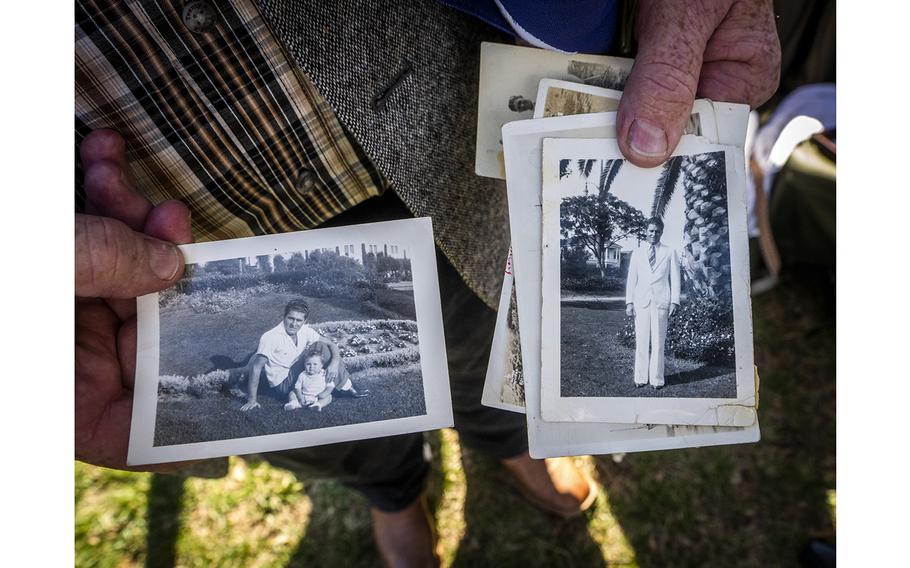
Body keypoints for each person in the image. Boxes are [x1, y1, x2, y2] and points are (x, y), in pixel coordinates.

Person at [75, 1, 780, 564]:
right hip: (173, 213)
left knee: (489, 330)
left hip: (433, 137)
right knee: (313, 423)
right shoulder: (262, 328)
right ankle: (391, 492)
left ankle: (506, 445)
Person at [240, 299, 362, 412]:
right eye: (290, 318)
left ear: (304, 321)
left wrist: (334, 364)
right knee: (319, 347)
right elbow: (256, 367)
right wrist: (252, 400)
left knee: (321, 347)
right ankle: (346, 387)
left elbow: (331, 344)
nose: (294, 324)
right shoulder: (271, 336)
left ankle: (340, 386)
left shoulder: (304, 330)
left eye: (299, 320)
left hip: (296, 375)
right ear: (284, 317)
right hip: (282, 383)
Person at [625, 217, 680, 389]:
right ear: (646, 231)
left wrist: (675, 302)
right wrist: (629, 302)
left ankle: (657, 380)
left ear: (661, 232)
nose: (653, 234)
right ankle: (640, 378)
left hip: (661, 302)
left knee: (658, 342)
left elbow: (675, 279)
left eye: (657, 231)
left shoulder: (670, 252)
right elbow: (631, 279)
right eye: (650, 230)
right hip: (641, 302)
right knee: (641, 341)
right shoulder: (638, 253)